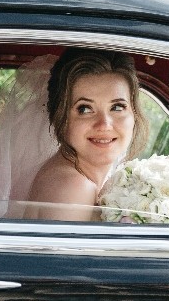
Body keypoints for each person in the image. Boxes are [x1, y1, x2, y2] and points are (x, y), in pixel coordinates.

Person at [27, 48, 149, 221]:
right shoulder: (73, 188)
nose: (104, 125)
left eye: (117, 107)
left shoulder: (75, 176)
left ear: (134, 114)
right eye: (84, 109)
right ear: (60, 117)